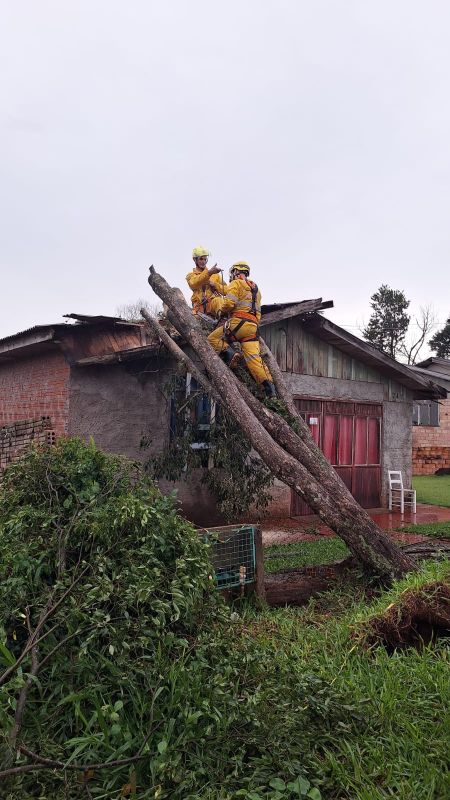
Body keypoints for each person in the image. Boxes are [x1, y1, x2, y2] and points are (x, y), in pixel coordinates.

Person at [207, 261, 276, 397]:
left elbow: (229, 302)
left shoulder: (236, 283)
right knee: (254, 361)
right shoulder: (255, 289)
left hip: (237, 324)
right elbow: (230, 291)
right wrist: (216, 286)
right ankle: (270, 392)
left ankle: (231, 354)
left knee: (211, 339)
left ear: (236, 272)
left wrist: (221, 309)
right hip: (252, 328)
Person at [186, 246, 227, 318]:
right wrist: (209, 273)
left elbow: (226, 291)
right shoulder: (190, 275)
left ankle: (223, 319)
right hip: (199, 309)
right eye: (201, 259)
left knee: (218, 300)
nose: (203, 261)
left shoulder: (216, 275)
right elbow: (194, 283)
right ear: (195, 260)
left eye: (205, 259)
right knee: (190, 318)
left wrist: (215, 284)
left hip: (212, 305)